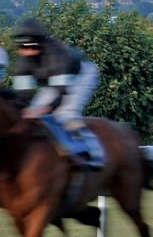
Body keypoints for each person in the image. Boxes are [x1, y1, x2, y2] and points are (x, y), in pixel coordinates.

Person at [11, 18, 102, 168]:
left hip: (82, 75)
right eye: (22, 46)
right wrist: (24, 110)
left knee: (65, 114)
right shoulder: (24, 60)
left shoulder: (56, 55)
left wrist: (41, 110)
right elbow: (22, 95)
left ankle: (93, 152)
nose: (26, 50)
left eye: (30, 45)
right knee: (33, 114)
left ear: (39, 42)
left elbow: (60, 96)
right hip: (54, 82)